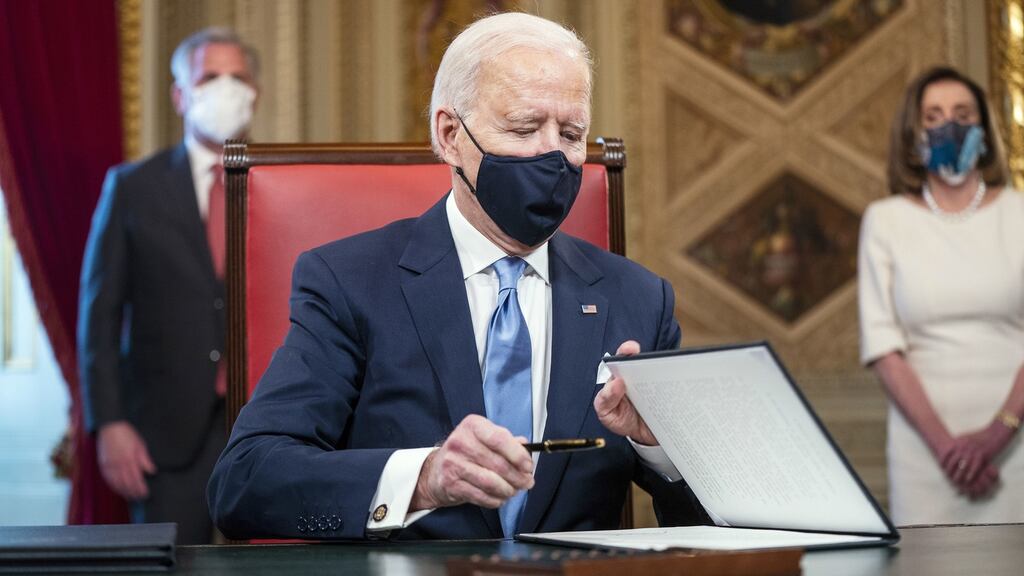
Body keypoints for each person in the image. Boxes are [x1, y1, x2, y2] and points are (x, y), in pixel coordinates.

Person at [207, 12, 706, 540]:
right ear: (450, 135)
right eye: (523, 128)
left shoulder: (639, 299)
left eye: (572, 133)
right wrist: (422, 480)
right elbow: (244, 483)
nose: (553, 156)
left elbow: (722, 521)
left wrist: (661, 450)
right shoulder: (349, 283)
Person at [78, 27, 260, 544]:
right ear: (181, 94)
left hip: (266, 430)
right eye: (209, 77)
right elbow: (100, 315)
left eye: (237, 77)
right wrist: (109, 423)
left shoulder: (283, 182)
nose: (225, 88)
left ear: (256, 92)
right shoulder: (133, 188)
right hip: (166, 437)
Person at [858, 66, 1024, 525]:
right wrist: (949, 448)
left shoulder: (1019, 214)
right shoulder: (885, 220)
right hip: (925, 452)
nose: (948, 125)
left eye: (962, 113)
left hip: (1017, 439)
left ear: (984, 129)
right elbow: (883, 348)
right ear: (914, 134)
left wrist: (997, 435)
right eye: (933, 117)